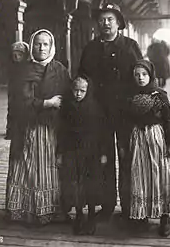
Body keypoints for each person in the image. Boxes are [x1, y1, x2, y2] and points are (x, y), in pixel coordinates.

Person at [79, 3, 143, 219]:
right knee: (103, 159)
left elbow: (140, 77)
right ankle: (106, 205)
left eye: (110, 19)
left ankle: (129, 205)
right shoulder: (90, 48)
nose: (105, 23)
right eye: (102, 20)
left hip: (125, 113)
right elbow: (83, 79)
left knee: (127, 157)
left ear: (118, 23)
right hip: (99, 114)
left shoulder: (130, 46)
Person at [5, 29, 70, 225]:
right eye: (38, 44)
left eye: (45, 44)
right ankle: (25, 209)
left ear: (52, 47)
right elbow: (21, 102)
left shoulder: (60, 70)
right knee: (27, 166)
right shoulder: (24, 70)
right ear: (31, 45)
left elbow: (67, 96)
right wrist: (47, 103)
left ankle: (51, 209)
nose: (41, 48)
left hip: (52, 128)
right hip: (28, 128)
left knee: (50, 167)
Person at [122, 59, 170, 236]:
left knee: (161, 175)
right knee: (141, 175)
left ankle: (165, 216)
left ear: (150, 75)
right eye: (137, 75)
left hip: (156, 137)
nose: (140, 78)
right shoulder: (130, 96)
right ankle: (143, 214)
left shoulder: (159, 95)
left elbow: (167, 120)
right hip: (138, 140)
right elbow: (126, 121)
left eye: (144, 74)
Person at [58, 75, 106, 235]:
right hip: (72, 150)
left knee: (91, 182)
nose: (78, 94)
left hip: (91, 152)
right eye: (75, 90)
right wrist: (60, 152)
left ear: (88, 91)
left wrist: (103, 154)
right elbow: (62, 131)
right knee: (75, 182)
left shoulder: (95, 108)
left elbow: (102, 134)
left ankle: (91, 215)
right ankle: (79, 214)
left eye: (82, 91)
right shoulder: (67, 107)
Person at [5, 41, 29, 140]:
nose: (16, 57)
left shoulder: (28, 66)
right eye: (14, 54)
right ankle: (10, 131)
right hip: (14, 89)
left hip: (24, 90)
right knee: (12, 109)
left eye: (20, 54)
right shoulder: (11, 66)